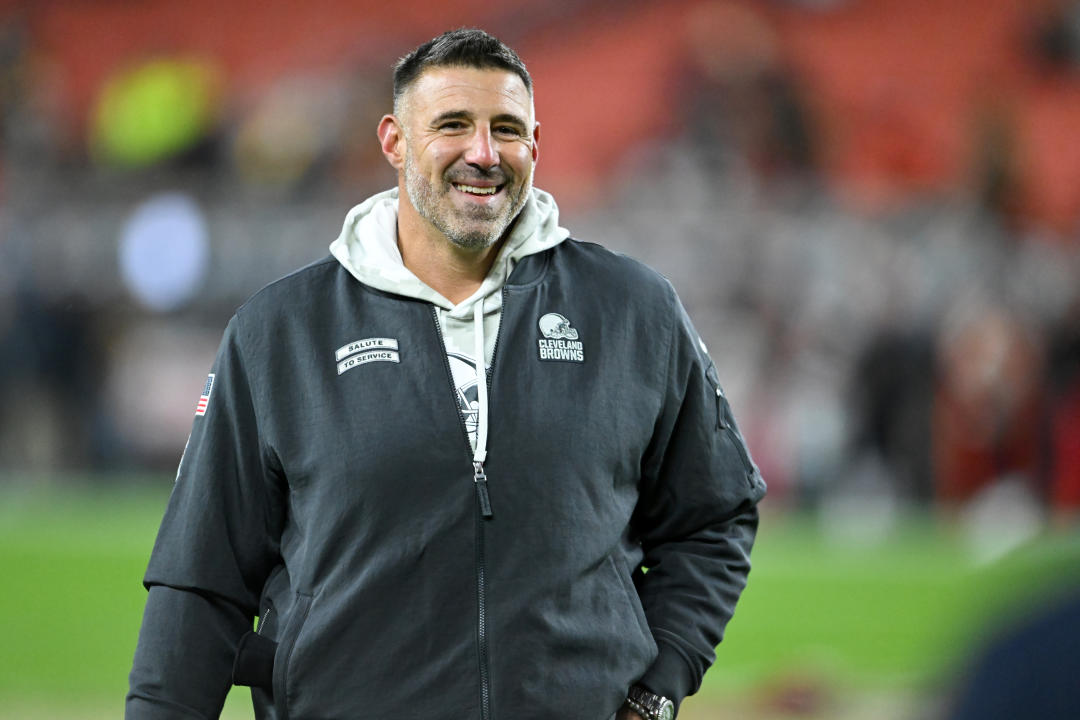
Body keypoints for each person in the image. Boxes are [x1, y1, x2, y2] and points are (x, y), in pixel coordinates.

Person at [126, 28, 765, 720]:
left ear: (535, 144)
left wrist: (659, 685)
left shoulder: (632, 310)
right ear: (395, 141)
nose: (483, 154)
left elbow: (714, 514)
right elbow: (202, 580)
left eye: (507, 129)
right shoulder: (281, 330)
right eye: (453, 125)